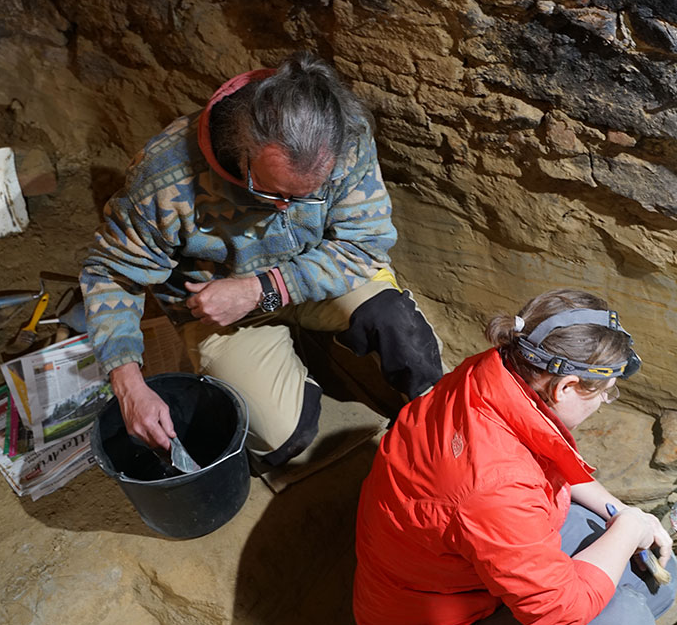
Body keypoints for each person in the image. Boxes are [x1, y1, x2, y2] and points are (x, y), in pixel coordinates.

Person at [80, 52, 443, 468]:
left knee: (399, 328)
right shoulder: (163, 180)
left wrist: (262, 289)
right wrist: (128, 385)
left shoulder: (346, 136)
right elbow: (110, 274)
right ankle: (295, 373)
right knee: (279, 439)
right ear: (240, 148)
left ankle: (445, 419)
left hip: (314, 277)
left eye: (308, 195)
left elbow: (364, 244)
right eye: (273, 193)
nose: (286, 208)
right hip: (223, 313)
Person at [353, 289, 677, 625]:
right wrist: (626, 531)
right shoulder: (494, 483)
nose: (607, 399)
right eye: (605, 391)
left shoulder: (492, 374)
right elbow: (559, 612)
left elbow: (549, 454)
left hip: (454, 564)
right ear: (566, 388)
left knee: (654, 573)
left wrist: (621, 513)